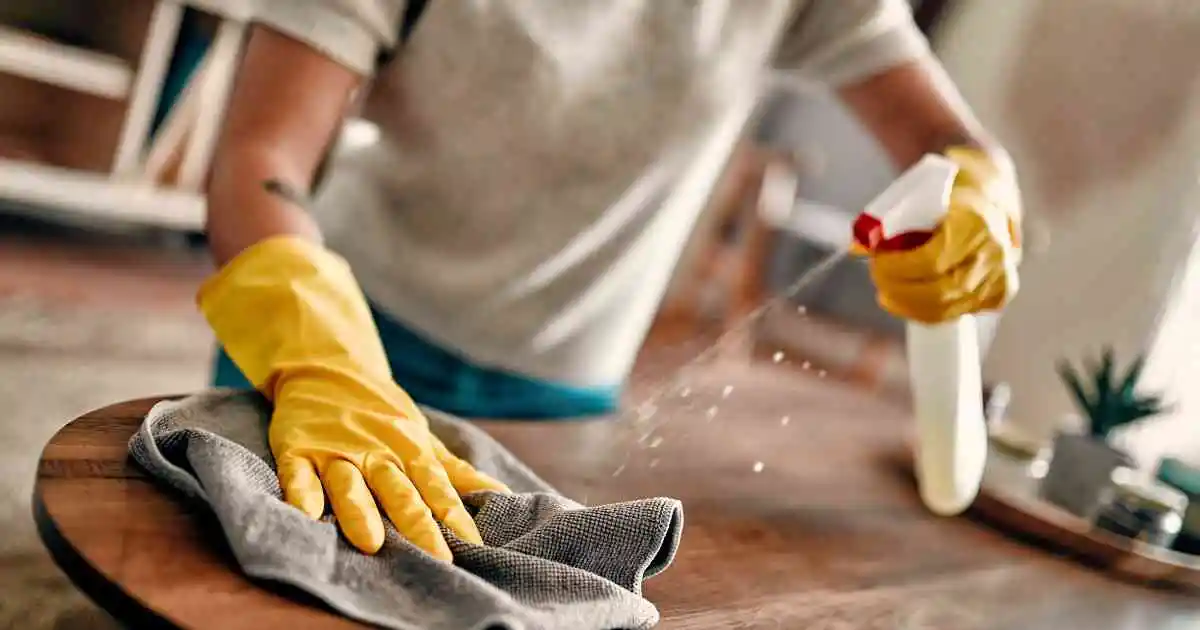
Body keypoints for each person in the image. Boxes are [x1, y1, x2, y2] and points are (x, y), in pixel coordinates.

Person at [199, 0, 1023, 559]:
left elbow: (954, 142)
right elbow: (260, 155)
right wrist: (322, 360)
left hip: (560, 406)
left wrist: (982, 194)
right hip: (323, 348)